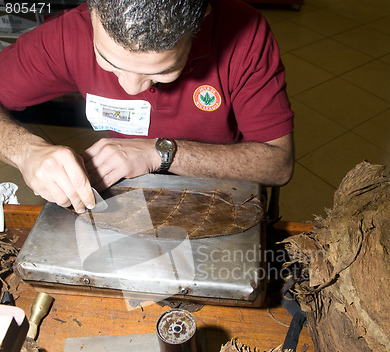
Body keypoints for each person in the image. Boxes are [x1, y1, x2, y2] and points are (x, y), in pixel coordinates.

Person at [0, 0, 294, 213]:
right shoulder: (68, 34)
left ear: (202, 19)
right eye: (109, 62)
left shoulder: (245, 34)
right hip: (127, 206)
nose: (130, 88)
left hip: (221, 197)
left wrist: (158, 152)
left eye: (162, 72)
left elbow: (279, 165)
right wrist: (25, 151)